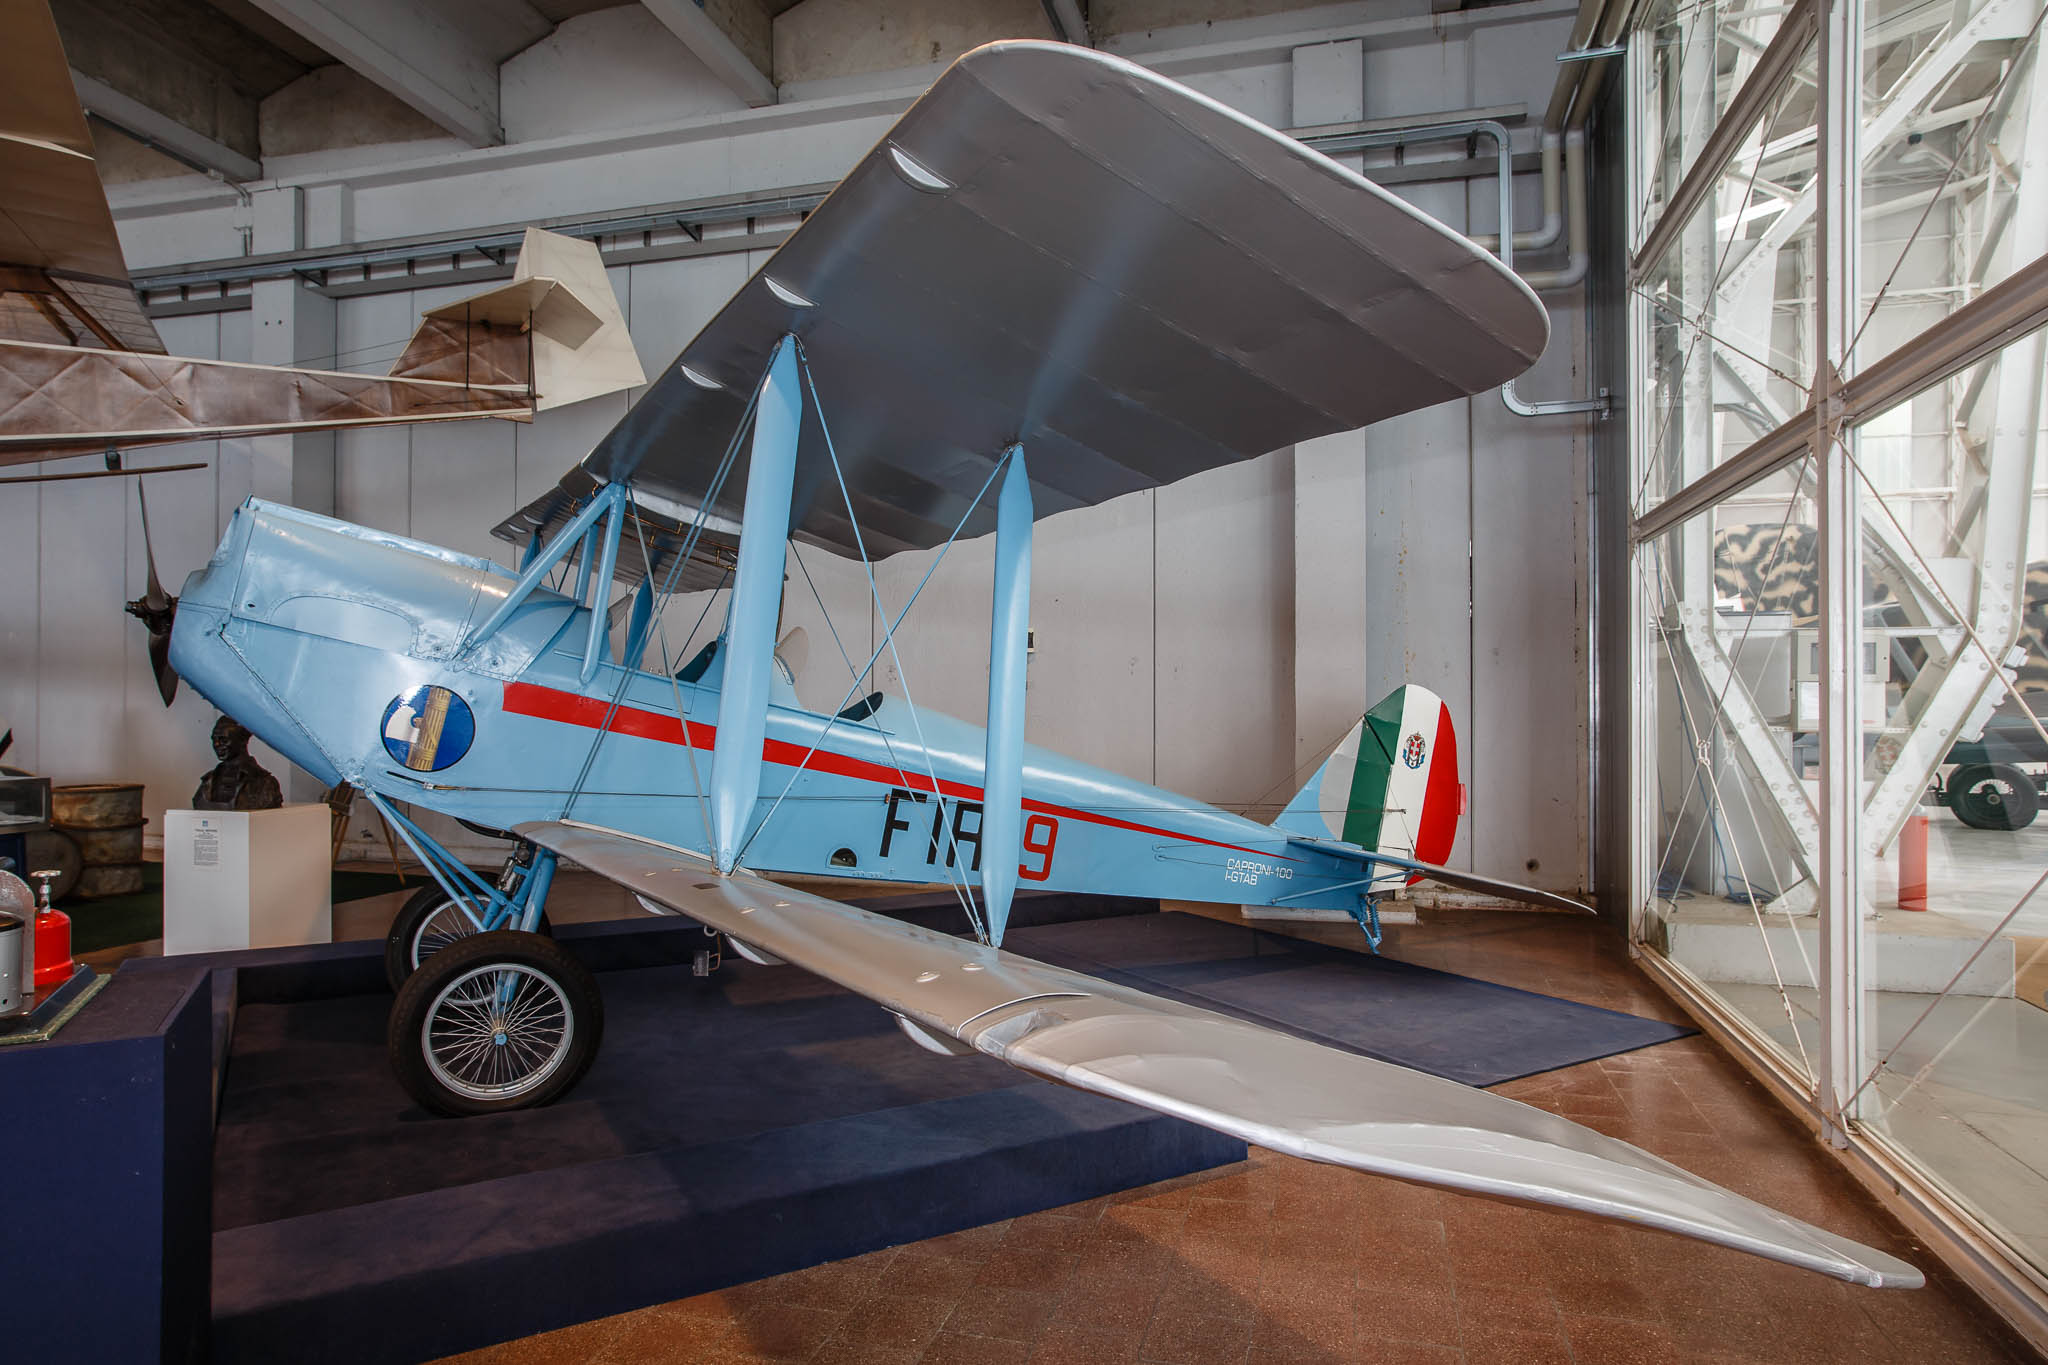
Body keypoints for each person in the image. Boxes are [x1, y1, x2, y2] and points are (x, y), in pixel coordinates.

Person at [192, 716, 283, 812]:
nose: (216, 745)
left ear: (242, 741)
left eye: (224, 740)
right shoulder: (208, 780)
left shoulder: (264, 782)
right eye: (214, 740)